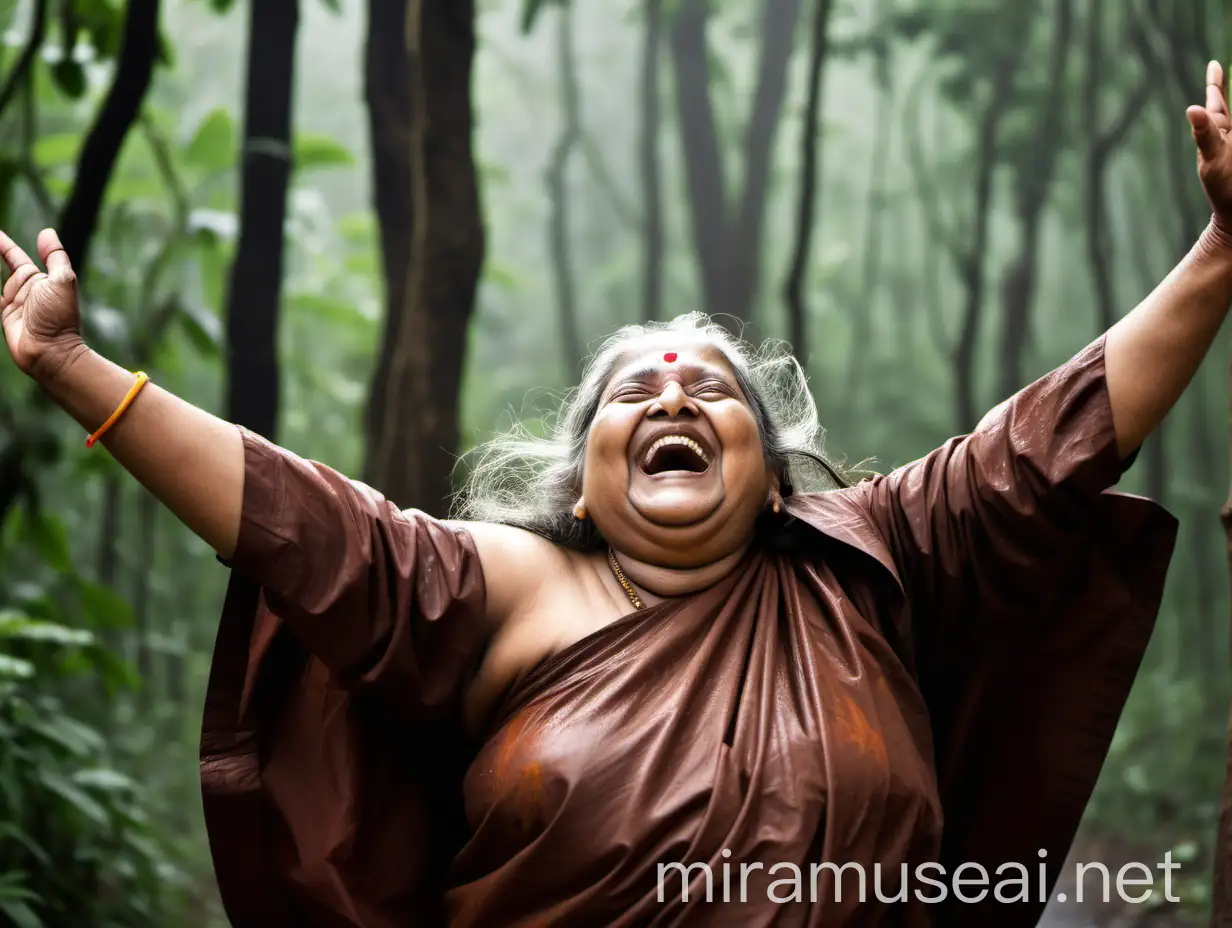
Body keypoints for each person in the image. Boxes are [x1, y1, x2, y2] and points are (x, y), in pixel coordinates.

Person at [4, 60, 1232, 928]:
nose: (671, 398)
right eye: (629, 398)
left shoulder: (873, 552)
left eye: (712, 387)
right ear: (581, 478)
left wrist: (1220, 252)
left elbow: (1048, 442)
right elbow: (294, 518)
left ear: (770, 470)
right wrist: (74, 368)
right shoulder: (508, 583)